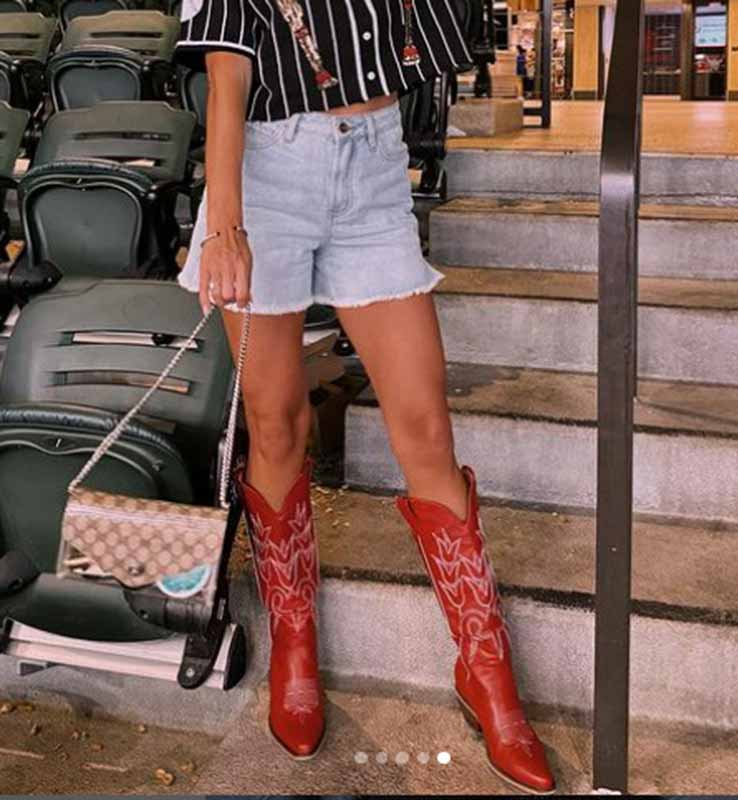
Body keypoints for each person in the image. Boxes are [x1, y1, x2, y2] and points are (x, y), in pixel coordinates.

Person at [174, 0, 556, 793]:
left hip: (374, 168)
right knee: (277, 425)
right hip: (265, 172)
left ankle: (484, 667)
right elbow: (225, 73)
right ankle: (295, 644)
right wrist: (225, 226)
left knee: (425, 426)